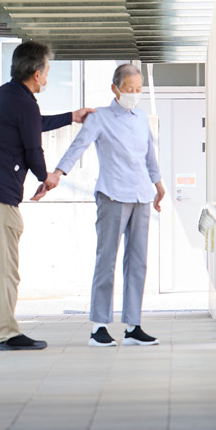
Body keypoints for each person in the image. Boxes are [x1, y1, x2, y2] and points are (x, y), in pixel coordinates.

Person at [0, 41, 93, 351]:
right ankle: (6, 333)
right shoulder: (25, 103)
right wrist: (46, 178)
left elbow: (33, 125)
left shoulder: (4, 96)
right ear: (36, 73)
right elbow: (33, 148)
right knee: (4, 266)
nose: (47, 78)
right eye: (47, 72)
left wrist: (72, 116)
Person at [48, 63, 166, 347]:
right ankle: (99, 326)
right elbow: (78, 146)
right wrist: (57, 174)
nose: (134, 94)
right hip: (112, 195)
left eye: (138, 90)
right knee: (107, 259)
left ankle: (133, 325)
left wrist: (159, 187)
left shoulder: (141, 119)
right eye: (129, 89)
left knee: (137, 262)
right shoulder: (100, 118)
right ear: (115, 89)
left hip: (141, 196)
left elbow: (150, 155)